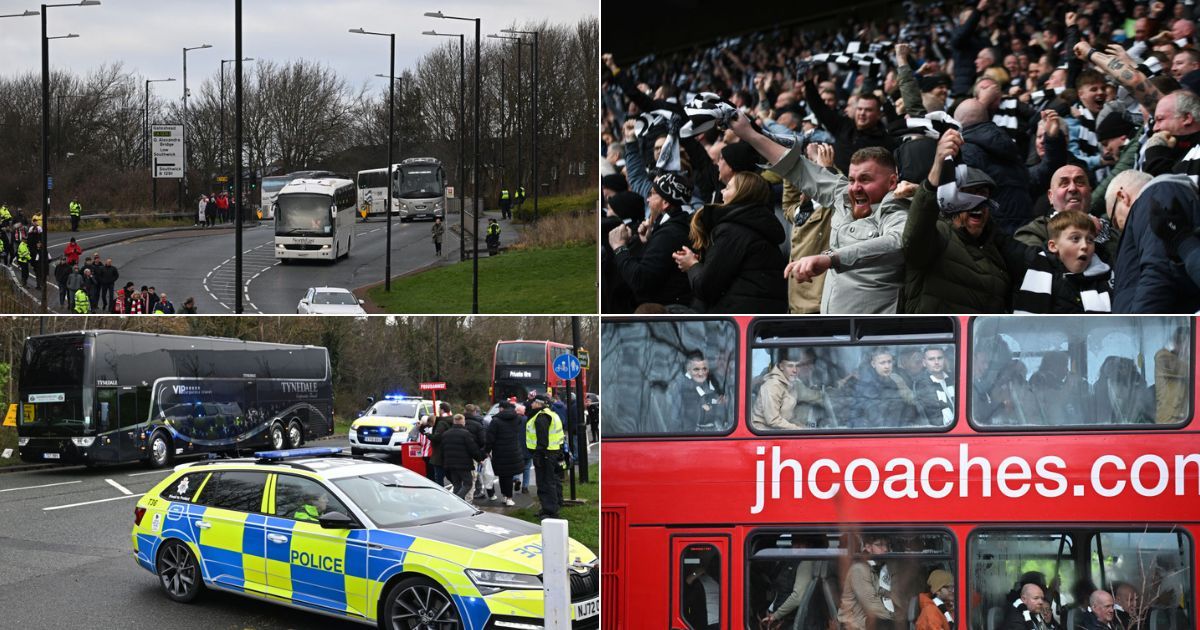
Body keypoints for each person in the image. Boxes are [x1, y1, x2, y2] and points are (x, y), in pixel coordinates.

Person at [731, 113, 910, 314]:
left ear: (892, 182)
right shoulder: (842, 194)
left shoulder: (896, 208)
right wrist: (748, 133)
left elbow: (898, 243)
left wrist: (831, 259)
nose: (855, 188)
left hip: (873, 337)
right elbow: (796, 168)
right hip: (834, 330)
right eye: (852, 180)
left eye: (865, 180)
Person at [903, 129, 1010, 312]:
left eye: (983, 195)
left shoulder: (996, 251)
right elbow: (915, 236)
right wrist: (937, 169)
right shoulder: (940, 234)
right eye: (970, 194)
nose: (977, 203)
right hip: (937, 337)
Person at [672, 170, 788, 312]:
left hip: (736, 323)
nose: (721, 192)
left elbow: (706, 287)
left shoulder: (732, 231)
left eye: (727, 188)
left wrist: (692, 265)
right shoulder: (757, 227)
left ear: (741, 194)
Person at [608, 171, 694, 309]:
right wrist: (648, 241)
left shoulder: (669, 234)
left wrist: (619, 248)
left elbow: (641, 281)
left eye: (653, 194)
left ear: (665, 202)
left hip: (662, 313)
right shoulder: (671, 228)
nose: (647, 200)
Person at [837, 534, 896, 630]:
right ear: (868, 547)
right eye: (880, 545)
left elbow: (882, 592)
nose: (885, 549)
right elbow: (873, 606)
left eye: (887, 545)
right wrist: (896, 619)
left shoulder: (876, 567)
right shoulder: (859, 569)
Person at [525, 394, 565, 519]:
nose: (531, 404)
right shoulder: (550, 413)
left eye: (533, 402)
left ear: (539, 404)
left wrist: (538, 453)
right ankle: (550, 506)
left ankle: (550, 511)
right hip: (552, 452)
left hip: (545, 454)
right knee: (550, 481)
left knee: (545, 482)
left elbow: (542, 439)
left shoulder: (541, 417)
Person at [668, 351, 728, 432]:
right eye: (696, 369)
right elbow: (675, 420)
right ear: (688, 370)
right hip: (689, 437)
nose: (701, 373)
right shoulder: (681, 389)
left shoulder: (715, 387)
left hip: (713, 437)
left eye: (704, 369)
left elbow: (722, 418)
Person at [750, 351, 805, 431]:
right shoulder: (772, 386)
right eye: (790, 366)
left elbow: (785, 416)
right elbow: (773, 420)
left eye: (797, 366)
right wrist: (797, 429)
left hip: (776, 432)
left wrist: (801, 426)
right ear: (781, 366)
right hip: (763, 434)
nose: (795, 370)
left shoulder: (790, 384)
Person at [485, 400, 526, 507]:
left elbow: (490, 438)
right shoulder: (517, 418)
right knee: (508, 475)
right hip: (513, 450)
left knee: (504, 475)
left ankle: (507, 497)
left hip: (500, 452)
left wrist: (486, 451)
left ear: (501, 408)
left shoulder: (496, 421)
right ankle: (507, 497)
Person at [439, 414, 484, 500]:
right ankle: (457, 500)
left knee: (457, 484)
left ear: (454, 422)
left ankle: (457, 505)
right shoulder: (466, 434)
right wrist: (479, 459)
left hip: (450, 463)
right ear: (463, 422)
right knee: (468, 484)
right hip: (464, 464)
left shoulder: (445, 434)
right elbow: (473, 449)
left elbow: (442, 450)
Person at [913, 346, 955, 425]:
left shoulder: (952, 378)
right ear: (924, 363)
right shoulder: (922, 384)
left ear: (944, 360)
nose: (936, 362)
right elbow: (934, 416)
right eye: (931, 359)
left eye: (939, 358)